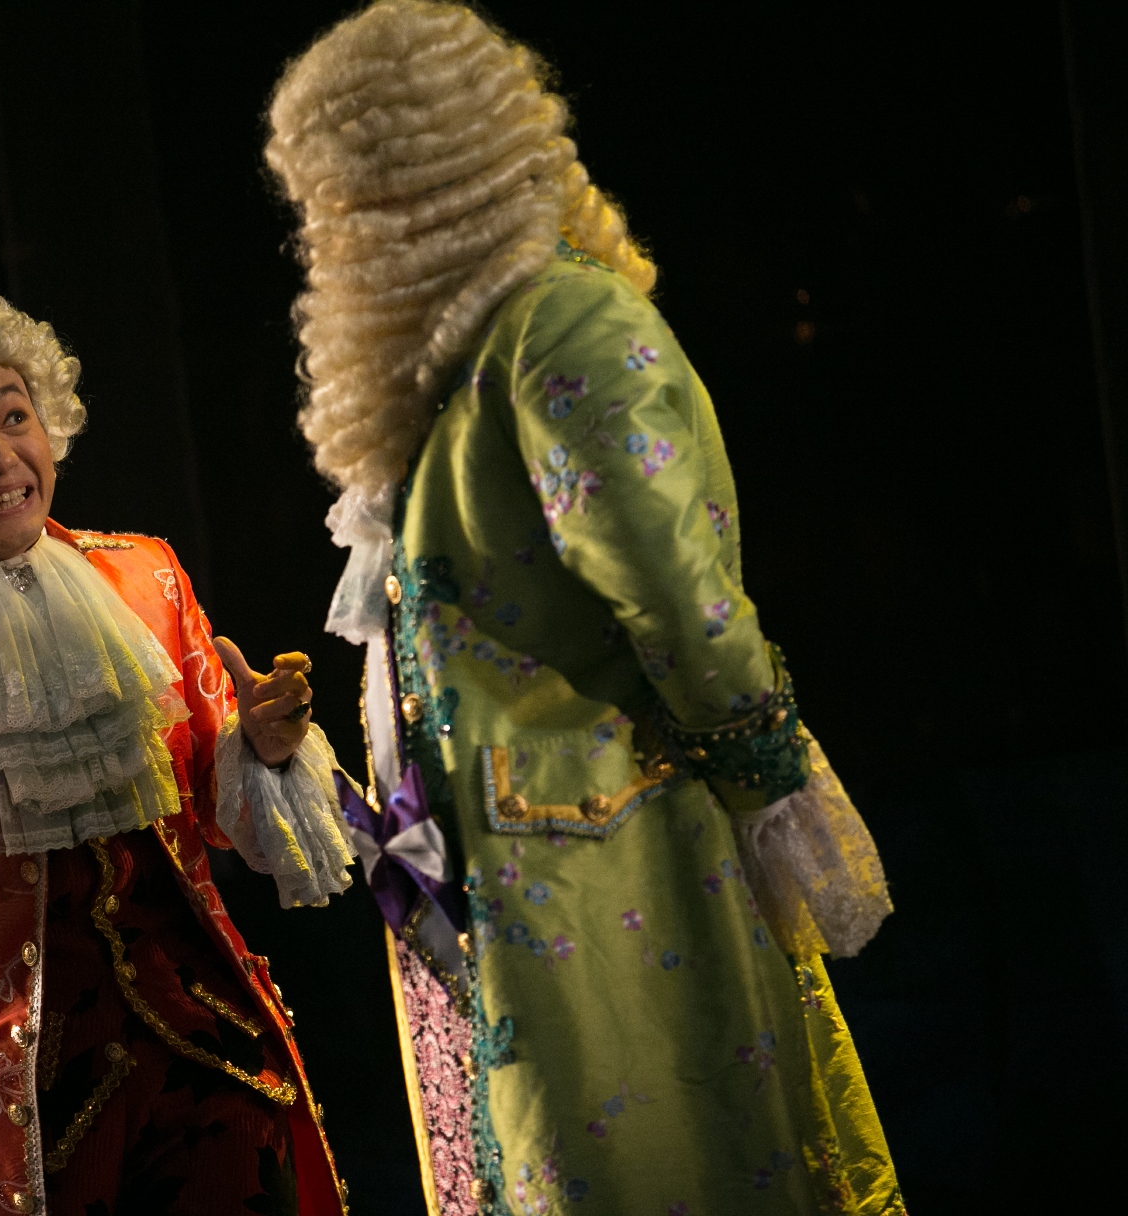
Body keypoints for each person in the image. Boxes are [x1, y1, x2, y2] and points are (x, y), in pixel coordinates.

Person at [263, 4, 904, 1215]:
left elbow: (676, 588)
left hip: (620, 858)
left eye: (344, 194)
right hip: (521, 877)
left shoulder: (562, 321)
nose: (328, 232)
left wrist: (770, 777)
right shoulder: (462, 357)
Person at [0, 286, 354, 1216]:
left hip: (206, 1060)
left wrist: (268, 751)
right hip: (13, 1105)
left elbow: (228, 824)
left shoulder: (146, 576)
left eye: (16, 417)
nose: (1, 456)